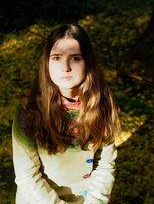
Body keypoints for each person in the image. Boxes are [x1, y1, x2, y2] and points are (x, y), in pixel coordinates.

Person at [12, 24, 121, 203]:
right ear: (47, 63)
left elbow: (105, 163)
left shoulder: (103, 105)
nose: (65, 67)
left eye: (76, 58)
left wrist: (96, 200)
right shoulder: (30, 109)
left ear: (88, 63)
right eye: (56, 58)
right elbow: (27, 176)